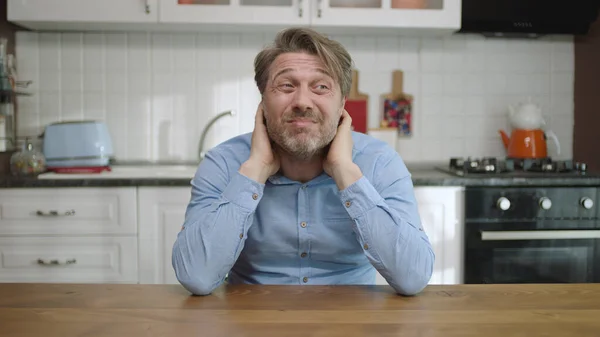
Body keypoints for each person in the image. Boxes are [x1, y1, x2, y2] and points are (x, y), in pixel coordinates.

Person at [172, 27, 434, 296]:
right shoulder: (224, 163)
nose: (302, 102)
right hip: (249, 321)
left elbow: (412, 278)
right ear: (263, 100)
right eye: (286, 86)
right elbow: (196, 276)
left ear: (342, 104)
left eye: (320, 87)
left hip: (352, 321)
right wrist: (255, 170)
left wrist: (346, 172)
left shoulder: (380, 161)